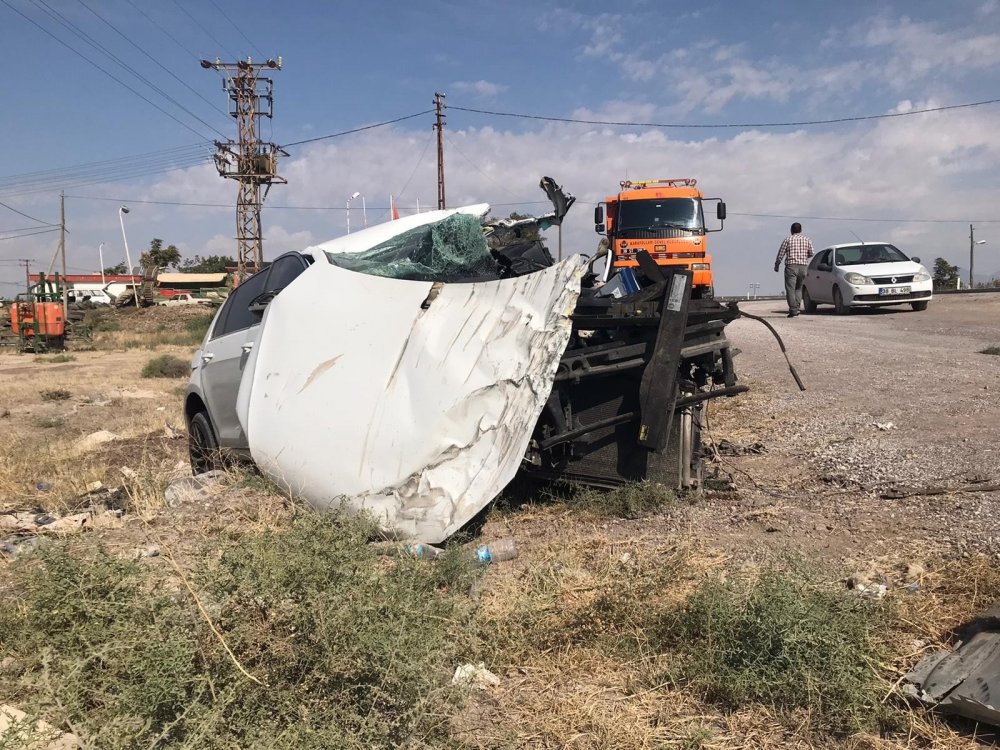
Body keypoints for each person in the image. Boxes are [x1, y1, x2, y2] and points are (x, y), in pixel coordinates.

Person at [774, 222, 814, 317]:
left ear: (791, 230)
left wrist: (777, 264)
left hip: (791, 266)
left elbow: (781, 254)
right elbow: (812, 253)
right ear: (801, 230)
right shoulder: (807, 240)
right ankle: (797, 308)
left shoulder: (788, 239)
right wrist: (804, 257)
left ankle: (793, 310)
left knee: (790, 289)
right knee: (799, 288)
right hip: (803, 266)